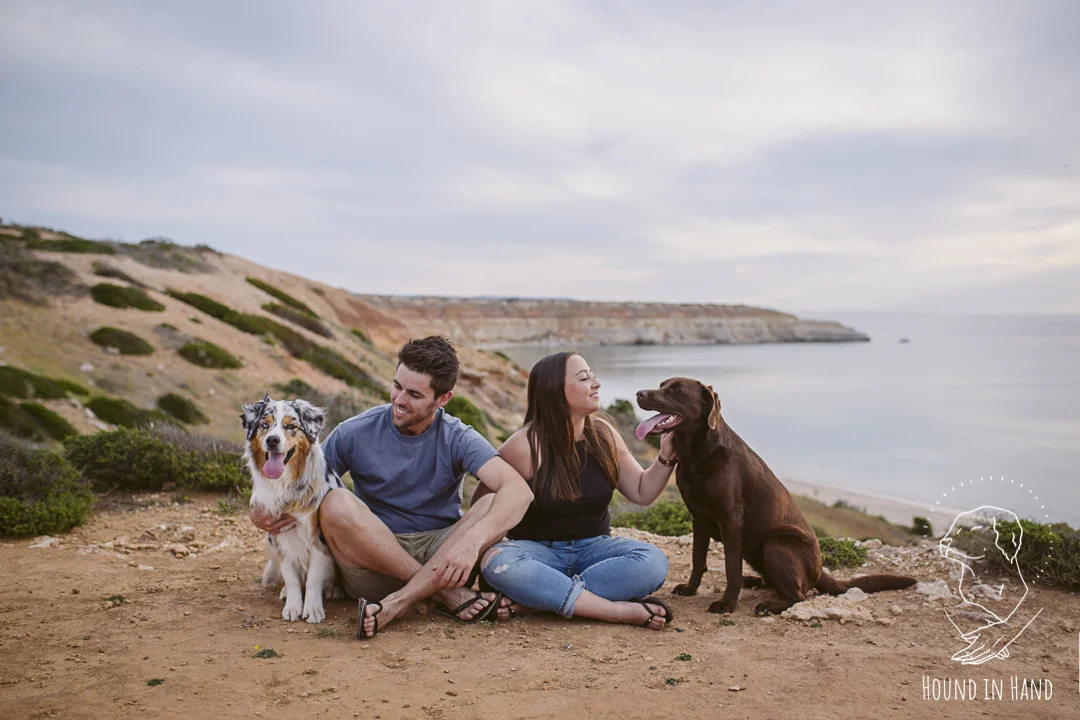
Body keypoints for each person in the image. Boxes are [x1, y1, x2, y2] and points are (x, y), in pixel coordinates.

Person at [250, 336, 533, 638]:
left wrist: (472, 541)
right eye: (397, 386)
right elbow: (298, 484)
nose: (399, 400)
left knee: (491, 501)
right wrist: (259, 513)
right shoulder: (355, 431)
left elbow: (520, 492)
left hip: (443, 553)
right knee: (336, 502)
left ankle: (400, 602)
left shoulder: (458, 436)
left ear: (443, 399)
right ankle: (442, 595)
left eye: (414, 394)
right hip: (373, 564)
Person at [474, 351, 676, 630]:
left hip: (595, 549)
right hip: (536, 552)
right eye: (584, 378)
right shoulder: (524, 446)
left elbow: (642, 491)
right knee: (500, 563)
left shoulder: (603, 434)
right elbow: (482, 509)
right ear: (555, 391)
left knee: (653, 563)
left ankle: (538, 601)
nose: (596, 383)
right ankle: (614, 611)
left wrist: (666, 457)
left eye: (593, 375)